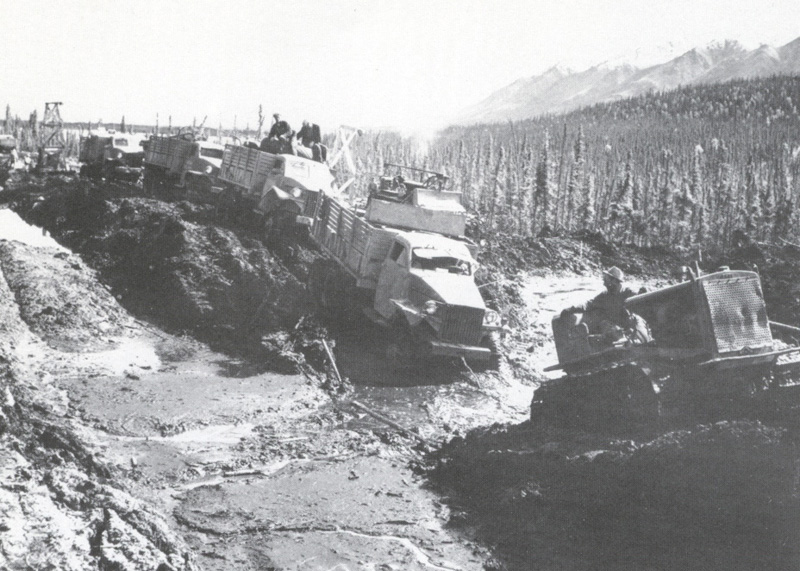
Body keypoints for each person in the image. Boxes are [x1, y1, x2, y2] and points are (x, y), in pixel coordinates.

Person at [561, 266, 640, 343]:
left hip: (631, 330)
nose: (604, 282)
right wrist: (572, 309)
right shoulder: (604, 296)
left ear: (614, 281)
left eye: (606, 279)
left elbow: (641, 302)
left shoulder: (628, 293)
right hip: (614, 330)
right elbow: (589, 304)